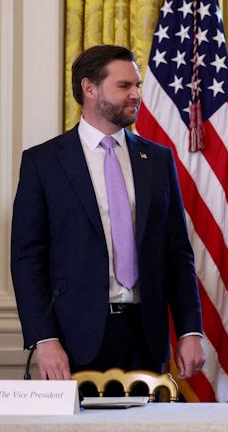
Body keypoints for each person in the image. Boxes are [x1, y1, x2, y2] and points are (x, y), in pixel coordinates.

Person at [11, 45, 205, 381]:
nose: (136, 95)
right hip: (73, 342)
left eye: (137, 86)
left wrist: (190, 330)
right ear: (89, 88)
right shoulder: (43, 163)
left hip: (145, 338)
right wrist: (45, 338)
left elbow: (177, 254)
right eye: (124, 86)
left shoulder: (158, 160)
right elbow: (27, 259)